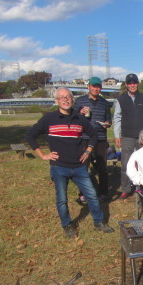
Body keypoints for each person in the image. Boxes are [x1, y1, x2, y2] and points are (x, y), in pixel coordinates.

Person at [26, 87, 115, 239]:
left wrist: (88, 151)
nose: (65, 99)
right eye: (62, 97)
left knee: (92, 196)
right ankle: (67, 225)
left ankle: (99, 222)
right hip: (59, 167)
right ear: (56, 101)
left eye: (68, 97)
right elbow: (30, 136)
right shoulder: (49, 119)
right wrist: (42, 155)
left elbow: (93, 134)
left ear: (72, 99)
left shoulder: (79, 118)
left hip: (79, 167)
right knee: (62, 200)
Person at [113, 74, 143, 200]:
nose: (132, 85)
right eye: (130, 83)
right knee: (126, 163)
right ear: (126, 85)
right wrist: (117, 135)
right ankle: (126, 189)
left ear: (138, 84)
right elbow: (117, 118)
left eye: (135, 82)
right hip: (127, 136)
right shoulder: (121, 99)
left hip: (142, 136)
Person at [73, 77, 113, 203]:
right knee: (83, 166)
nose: (96, 89)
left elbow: (109, 120)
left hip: (101, 139)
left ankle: (103, 193)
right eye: (93, 86)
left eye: (98, 86)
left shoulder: (104, 102)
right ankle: (83, 194)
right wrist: (80, 113)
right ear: (88, 87)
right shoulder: (80, 101)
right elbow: (72, 118)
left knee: (102, 168)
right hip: (85, 138)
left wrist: (107, 123)